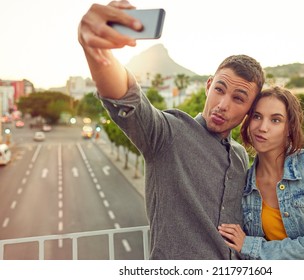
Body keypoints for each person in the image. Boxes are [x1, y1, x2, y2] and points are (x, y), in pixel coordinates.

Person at [78, 1, 265, 259]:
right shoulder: (168, 133)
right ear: (208, 86)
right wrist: (95, 49)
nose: (222, 105)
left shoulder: (240, 157)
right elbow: (128, 100)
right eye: (220, 89)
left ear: (249, 109)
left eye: (238, 98)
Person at [218, 85, 304, 259]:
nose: (262, 127)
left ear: (289, 128)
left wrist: (250, 245)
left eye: (275, 120)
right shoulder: (244, 184)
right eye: (257, 116)